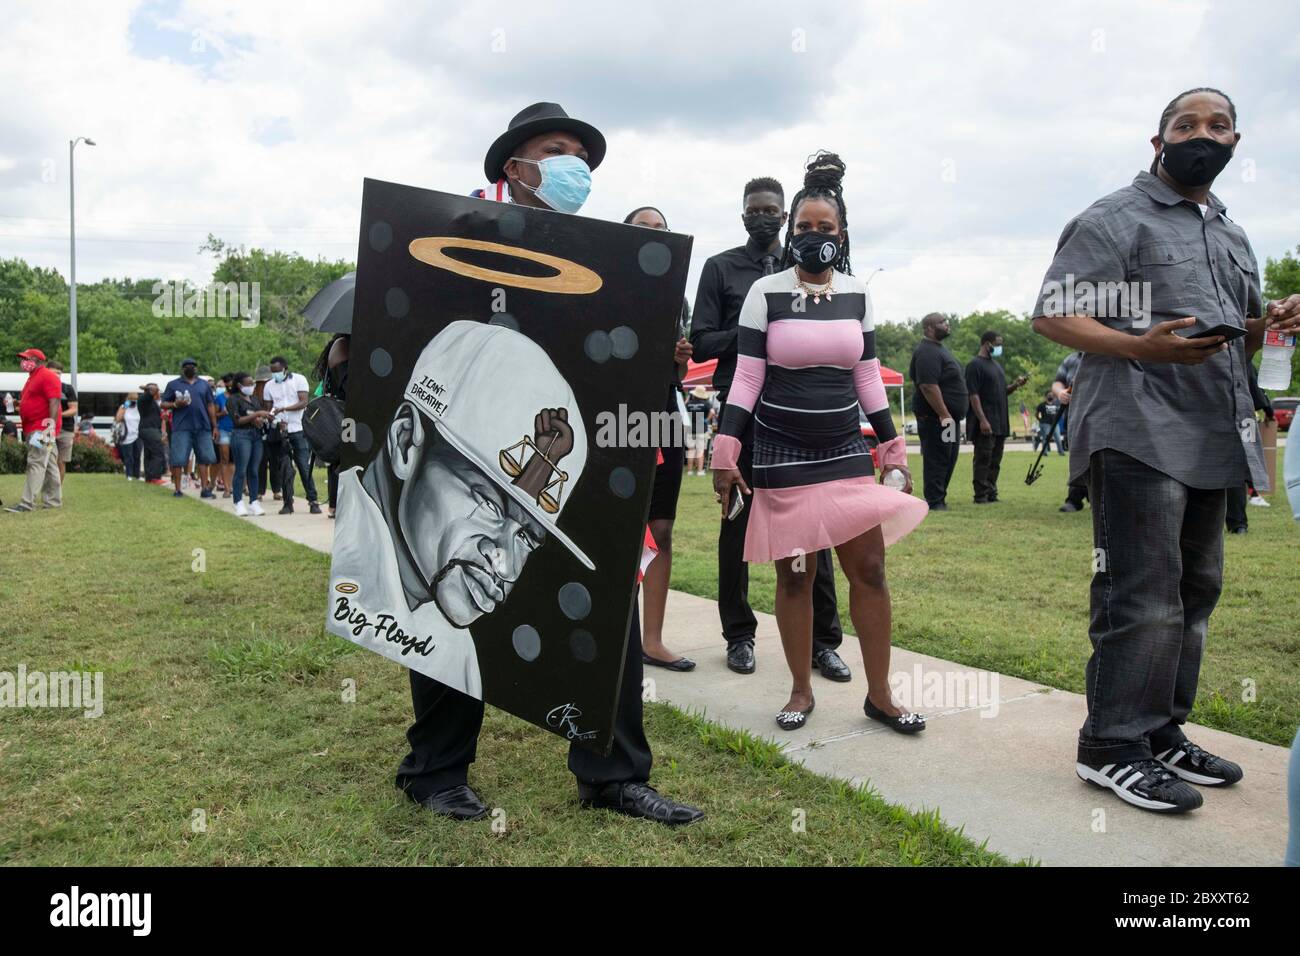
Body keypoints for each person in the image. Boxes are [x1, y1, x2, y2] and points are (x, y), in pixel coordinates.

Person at [386, 102, 700, 827]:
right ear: (514, 164)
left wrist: (659, 359)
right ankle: (433, 770)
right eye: (558, 151)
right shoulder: (455, 227)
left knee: (611, 598)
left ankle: (613, 775)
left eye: (584, 159)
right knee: (448, 587)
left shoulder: (605, 253)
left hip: (582, 457)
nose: (575, 169)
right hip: (473, 439)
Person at [1032, 87, 1300, 814]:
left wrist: (1266, 321)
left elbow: (1223, 332)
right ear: (1158, 142)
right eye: (1186, 125)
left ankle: (1160, 733)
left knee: (1193, 593)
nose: (1201, 135)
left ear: (1236, 143)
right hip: (1138, 427)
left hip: (1213, 431)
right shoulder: (1115, 217)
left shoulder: (1232, 233)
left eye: (1217, 125)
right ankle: (1111, 746)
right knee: (1142, 595)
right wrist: (1136, 347)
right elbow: (1053, 313)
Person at [712, 152, 929, 733]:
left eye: (825, 228)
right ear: (790, 234)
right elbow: (749, 377)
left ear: (842, 234)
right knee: (796, 576)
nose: (814, 237)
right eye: (803, 228)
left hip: (844, 453)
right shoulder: (765, 292)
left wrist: (893, 450)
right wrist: (725, 452)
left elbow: (866, 375)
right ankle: (801, 690)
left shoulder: (859, 294)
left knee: (871, 571)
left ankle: (881, 696)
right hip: (781, 453)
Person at [691, 174, 850, 681]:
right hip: (741, 411)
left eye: (771, 210)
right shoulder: (720, 269)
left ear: (785, 217)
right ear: (743, 214)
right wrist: (754, 336)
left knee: (813, 530)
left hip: (796, 415)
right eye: (753, 210)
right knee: (735, 524)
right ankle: (738, 634)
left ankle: (824, 642)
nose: (762, 217)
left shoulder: (806, 266)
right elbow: (700, 342)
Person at [623, 205, 695, 672]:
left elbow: (679, 371)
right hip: (619, 414)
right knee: (622, 529)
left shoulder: (678, 298)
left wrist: (679, 357)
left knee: (662, 528)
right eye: (642, 228)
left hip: (664, 413)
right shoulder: (607, 285)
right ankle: (617, 637)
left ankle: (652, 640)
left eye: (660, 229)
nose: (653, 235)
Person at [909, 313, 967, 511]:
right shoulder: (926, 352)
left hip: (949, 420)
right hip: (937, 419)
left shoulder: (940, 350)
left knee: (949, 456)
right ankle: (934, 501)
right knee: (937, 457)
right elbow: (928, 386)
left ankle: (940, 497)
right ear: (929, 328)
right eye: (942, 322)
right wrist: (943, 414)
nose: (947, 324)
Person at [965, 331, 1029, 504]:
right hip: (986, 422)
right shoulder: (974, 365)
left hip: (1000, 421)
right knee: (983, 458)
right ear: (987, 344)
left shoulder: (996, 366)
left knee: (995, 460)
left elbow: (1001, 392)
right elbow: (973, 395)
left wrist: (1015, 385)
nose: (1000, 347)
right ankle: (980, 495)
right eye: (998, 343)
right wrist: (983, 420)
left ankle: (991, 492)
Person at [5, 348, 63, 513]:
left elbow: (55, 401)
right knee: (50, 463)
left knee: (35, 462)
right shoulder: (33, 378)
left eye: (26, 358)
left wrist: (49, 426)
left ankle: (26, 503)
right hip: (39, 427)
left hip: (42, 428)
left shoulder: (47, 376)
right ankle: (53, 501)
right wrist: (19, 404)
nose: (23, 362)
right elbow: (36, 402)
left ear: (37, 360)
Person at [264, 355, 319, 515]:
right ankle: (288, 502)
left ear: (285, 369)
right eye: (273, 372)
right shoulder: (269, 385)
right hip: (281, 431)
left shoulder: (299, 380)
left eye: (278, 371)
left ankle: (313, 500)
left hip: (298, 429)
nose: (275, 374)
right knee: (285, 468)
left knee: (303, 466)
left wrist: (285, 409)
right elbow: (269, 407)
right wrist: (273, 416)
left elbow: (303, 402)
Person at [1225, 362, 1274, 533]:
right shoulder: (1239, 357)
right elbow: (1253, 383)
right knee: (1238, 468)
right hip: (1240, 419)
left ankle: (1239, 521)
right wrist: (1268, 409)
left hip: (1216, 417)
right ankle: (1238, 523)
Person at [161, 358, 218, 499]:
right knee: (178, 459)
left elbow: (210, 405)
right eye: (187, 366)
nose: (190, 368)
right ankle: (178, 489)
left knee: (204, 459)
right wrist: (175, 405)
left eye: (193, 366)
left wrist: (214, 425)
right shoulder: (173, 384)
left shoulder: (204, 384)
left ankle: (205, 489)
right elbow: (163, 404)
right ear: (183, 368)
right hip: (181, 427)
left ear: (196, 369)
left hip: (203, 426)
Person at [313, 334, 351, 519]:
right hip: (347, 421)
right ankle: (336, 505)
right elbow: (349, 387)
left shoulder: (342, 345)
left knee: (339, 464)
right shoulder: (343, 345)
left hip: (345, 421)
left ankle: (336, 505)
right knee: (345, 464)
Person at [227, 372, 270, 516]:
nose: (251, 386)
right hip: (241, 436)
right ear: (240, 385)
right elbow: (237, 420)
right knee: (241, 469)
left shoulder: (254, 399)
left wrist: (259, 419)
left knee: (254, 470)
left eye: (252, 384)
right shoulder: (233, 399)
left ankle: (253, 501)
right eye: (248, 384)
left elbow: (256, 416)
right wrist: (256, 415)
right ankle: (238, 501)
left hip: (256, 435)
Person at [45, 360, 78, 482]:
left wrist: (57, 415)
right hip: (46, 430)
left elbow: (73, 410)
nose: (56, 375)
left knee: (61, 461)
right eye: (53, 372)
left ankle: (57, 491)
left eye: (59, 373)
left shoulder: (67, 389)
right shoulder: (42, 388)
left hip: (66, 430)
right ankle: (46, 489)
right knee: (45, 459)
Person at [252, 365, 279, 502]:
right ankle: (259, 491)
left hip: (274, 431)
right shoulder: (254, 397)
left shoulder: (275, 393)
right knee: (261, 463)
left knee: (275, 461)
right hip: (259, 432)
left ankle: (277, 490)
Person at [136, 383, 168, 483]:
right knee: (157, 453)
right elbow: (150, 391)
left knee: (149, 454)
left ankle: (149, 477)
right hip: (150, 430)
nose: (158, 392)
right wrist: (149, 389)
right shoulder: (144, 399)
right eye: (157, 391)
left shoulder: (152, 402)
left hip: (150, 429)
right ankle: (155, 477)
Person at [214, 373, 235, 497]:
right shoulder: (220, 398)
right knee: (225, 459)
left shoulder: (239, 397)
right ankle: (226, 488)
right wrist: (223, 413)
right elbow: (214, 415)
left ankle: (234, 486)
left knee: (236, 461)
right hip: (224, 430)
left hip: (237, 430)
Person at [115, 391, 142, 480]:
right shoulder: (124, 407)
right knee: (128, 457)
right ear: (128, 399)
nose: (134, 401)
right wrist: (125, 407)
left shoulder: (139, 408)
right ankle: (129, 475)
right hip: (126, 435)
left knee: (137, 456)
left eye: (135, 399)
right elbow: (118, 419)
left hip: (138, 435)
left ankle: (137, 475)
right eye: (132, 399)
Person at [685, 385, 712, 475]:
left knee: (691, 450)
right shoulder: (706, 403)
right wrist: (706, 420)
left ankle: (689, 470)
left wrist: (688, 398)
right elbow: (712, 412)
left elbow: (683, 411)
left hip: (690, 429)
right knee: (700, 450)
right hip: (701, 428)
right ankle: (700, 471)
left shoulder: (689, 404)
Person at [1033, 390, 1064, 456]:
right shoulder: (1042, 405)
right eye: (1049, 395)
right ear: (1046, 396)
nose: (1051, 396)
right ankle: (1044, 453)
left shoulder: (1056, 404)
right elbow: (1036, 414)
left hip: (1055, 424)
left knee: (1058, 438)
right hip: (1045, 424)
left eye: (1052, 395)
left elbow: (1059, 413)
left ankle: (1061, 452)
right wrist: (1040, 420)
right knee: (1045, 439)